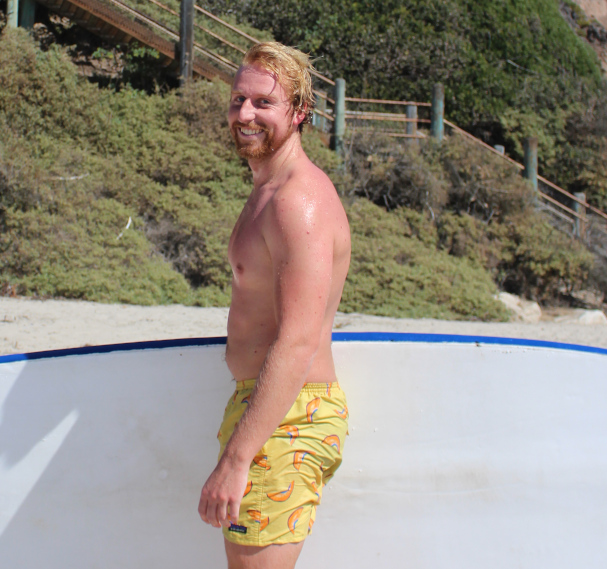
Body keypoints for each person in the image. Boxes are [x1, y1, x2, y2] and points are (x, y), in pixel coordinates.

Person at [197, 42, 352, 569]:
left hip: (289, 418)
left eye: (264, 103)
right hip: (265, 409)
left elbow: (298, 340)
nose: (245, 114)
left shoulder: (296, 201)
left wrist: (238, 458)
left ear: (299, 113)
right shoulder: (267, 190)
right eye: (239, 99)